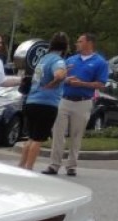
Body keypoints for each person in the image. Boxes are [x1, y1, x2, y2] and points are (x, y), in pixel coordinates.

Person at [43, 33, 109, 177]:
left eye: (80, 41)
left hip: (83, 101)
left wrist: (82, 84)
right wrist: (66, 78)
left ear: (89, 43)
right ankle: (54, 164)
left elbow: (101, 84)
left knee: (76, 134)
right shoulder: (71, 59)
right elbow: (60, 76)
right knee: (58, 133)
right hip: (64, 99)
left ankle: (71, 165)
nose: (76, 44)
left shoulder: (100, 62)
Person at [18, 33, 68, 170]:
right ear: (65, 47)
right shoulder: (58, 60)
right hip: (47, 103)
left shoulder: (43, 59)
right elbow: (59, 74)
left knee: (30, 137)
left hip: (31, 100)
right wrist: (56, 81)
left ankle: (21, 165)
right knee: (38, 139)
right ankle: (29, 168)